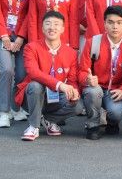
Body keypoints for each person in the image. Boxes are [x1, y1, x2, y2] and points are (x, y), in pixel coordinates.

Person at [16, 11, 80, 141]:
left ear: (62, 29)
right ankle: (33, 126)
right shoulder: (31, 47)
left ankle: (48, 120)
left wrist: (74, 91)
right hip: (33, 96)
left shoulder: (71, 53)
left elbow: (72, 80)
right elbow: (33, 72)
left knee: (78, 105)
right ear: (42, 28)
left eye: (56, 24)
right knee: (35, 85)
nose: (52, 27)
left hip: (56, 97)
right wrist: (59, 85)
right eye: (48, 24)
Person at [78, 6, 122, 139]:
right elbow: (81, 71)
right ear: (104, 24)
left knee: (117, 112)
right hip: (95, 87)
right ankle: (93, 124)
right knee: (93, 92)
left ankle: (112, 122)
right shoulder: (93, 43)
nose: (115, 27)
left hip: (115, 90)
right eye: (110, 22)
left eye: (119, 22)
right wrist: (87, 79)